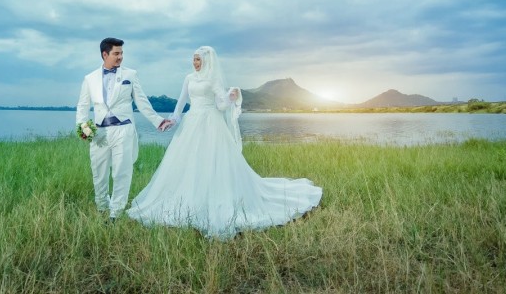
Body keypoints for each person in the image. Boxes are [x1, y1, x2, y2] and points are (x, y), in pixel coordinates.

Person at [127, 45, 322, 239]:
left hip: (211, 124)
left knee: (214, 161)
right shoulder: (189, 78)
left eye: (198, 60)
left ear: (207, 61)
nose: (195, 63)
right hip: (192, 122)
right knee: (188, 162)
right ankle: (187, 200)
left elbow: (220, 105)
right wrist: (173, 119)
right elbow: (181, 103)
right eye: (193, 59)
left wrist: (230, 97)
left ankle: (214, 199)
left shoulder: (213, 79)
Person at [76, 37, 170, 219]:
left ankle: (115, 213)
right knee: (99, 172)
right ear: (105, 54)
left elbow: (142, 102)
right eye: (116, 53)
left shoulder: (130, 75)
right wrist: (83, 127)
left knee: (121, 172)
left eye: (121, 53)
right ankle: (102, 206)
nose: (120, 57)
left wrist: (158, 121)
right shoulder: (90, 78)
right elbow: (82, 106)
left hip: (123, 130)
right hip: (99, 132)